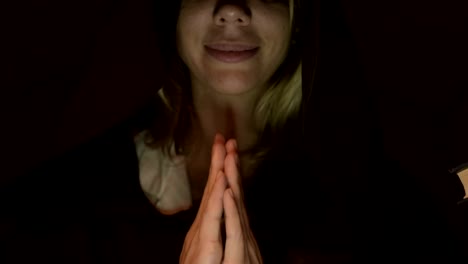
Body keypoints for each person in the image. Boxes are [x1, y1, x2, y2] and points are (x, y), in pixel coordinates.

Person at [134, 0, 303, 262]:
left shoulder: (356, 195)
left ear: (297, 22)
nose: (232, 10)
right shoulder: (85, 188)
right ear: (171, 19)